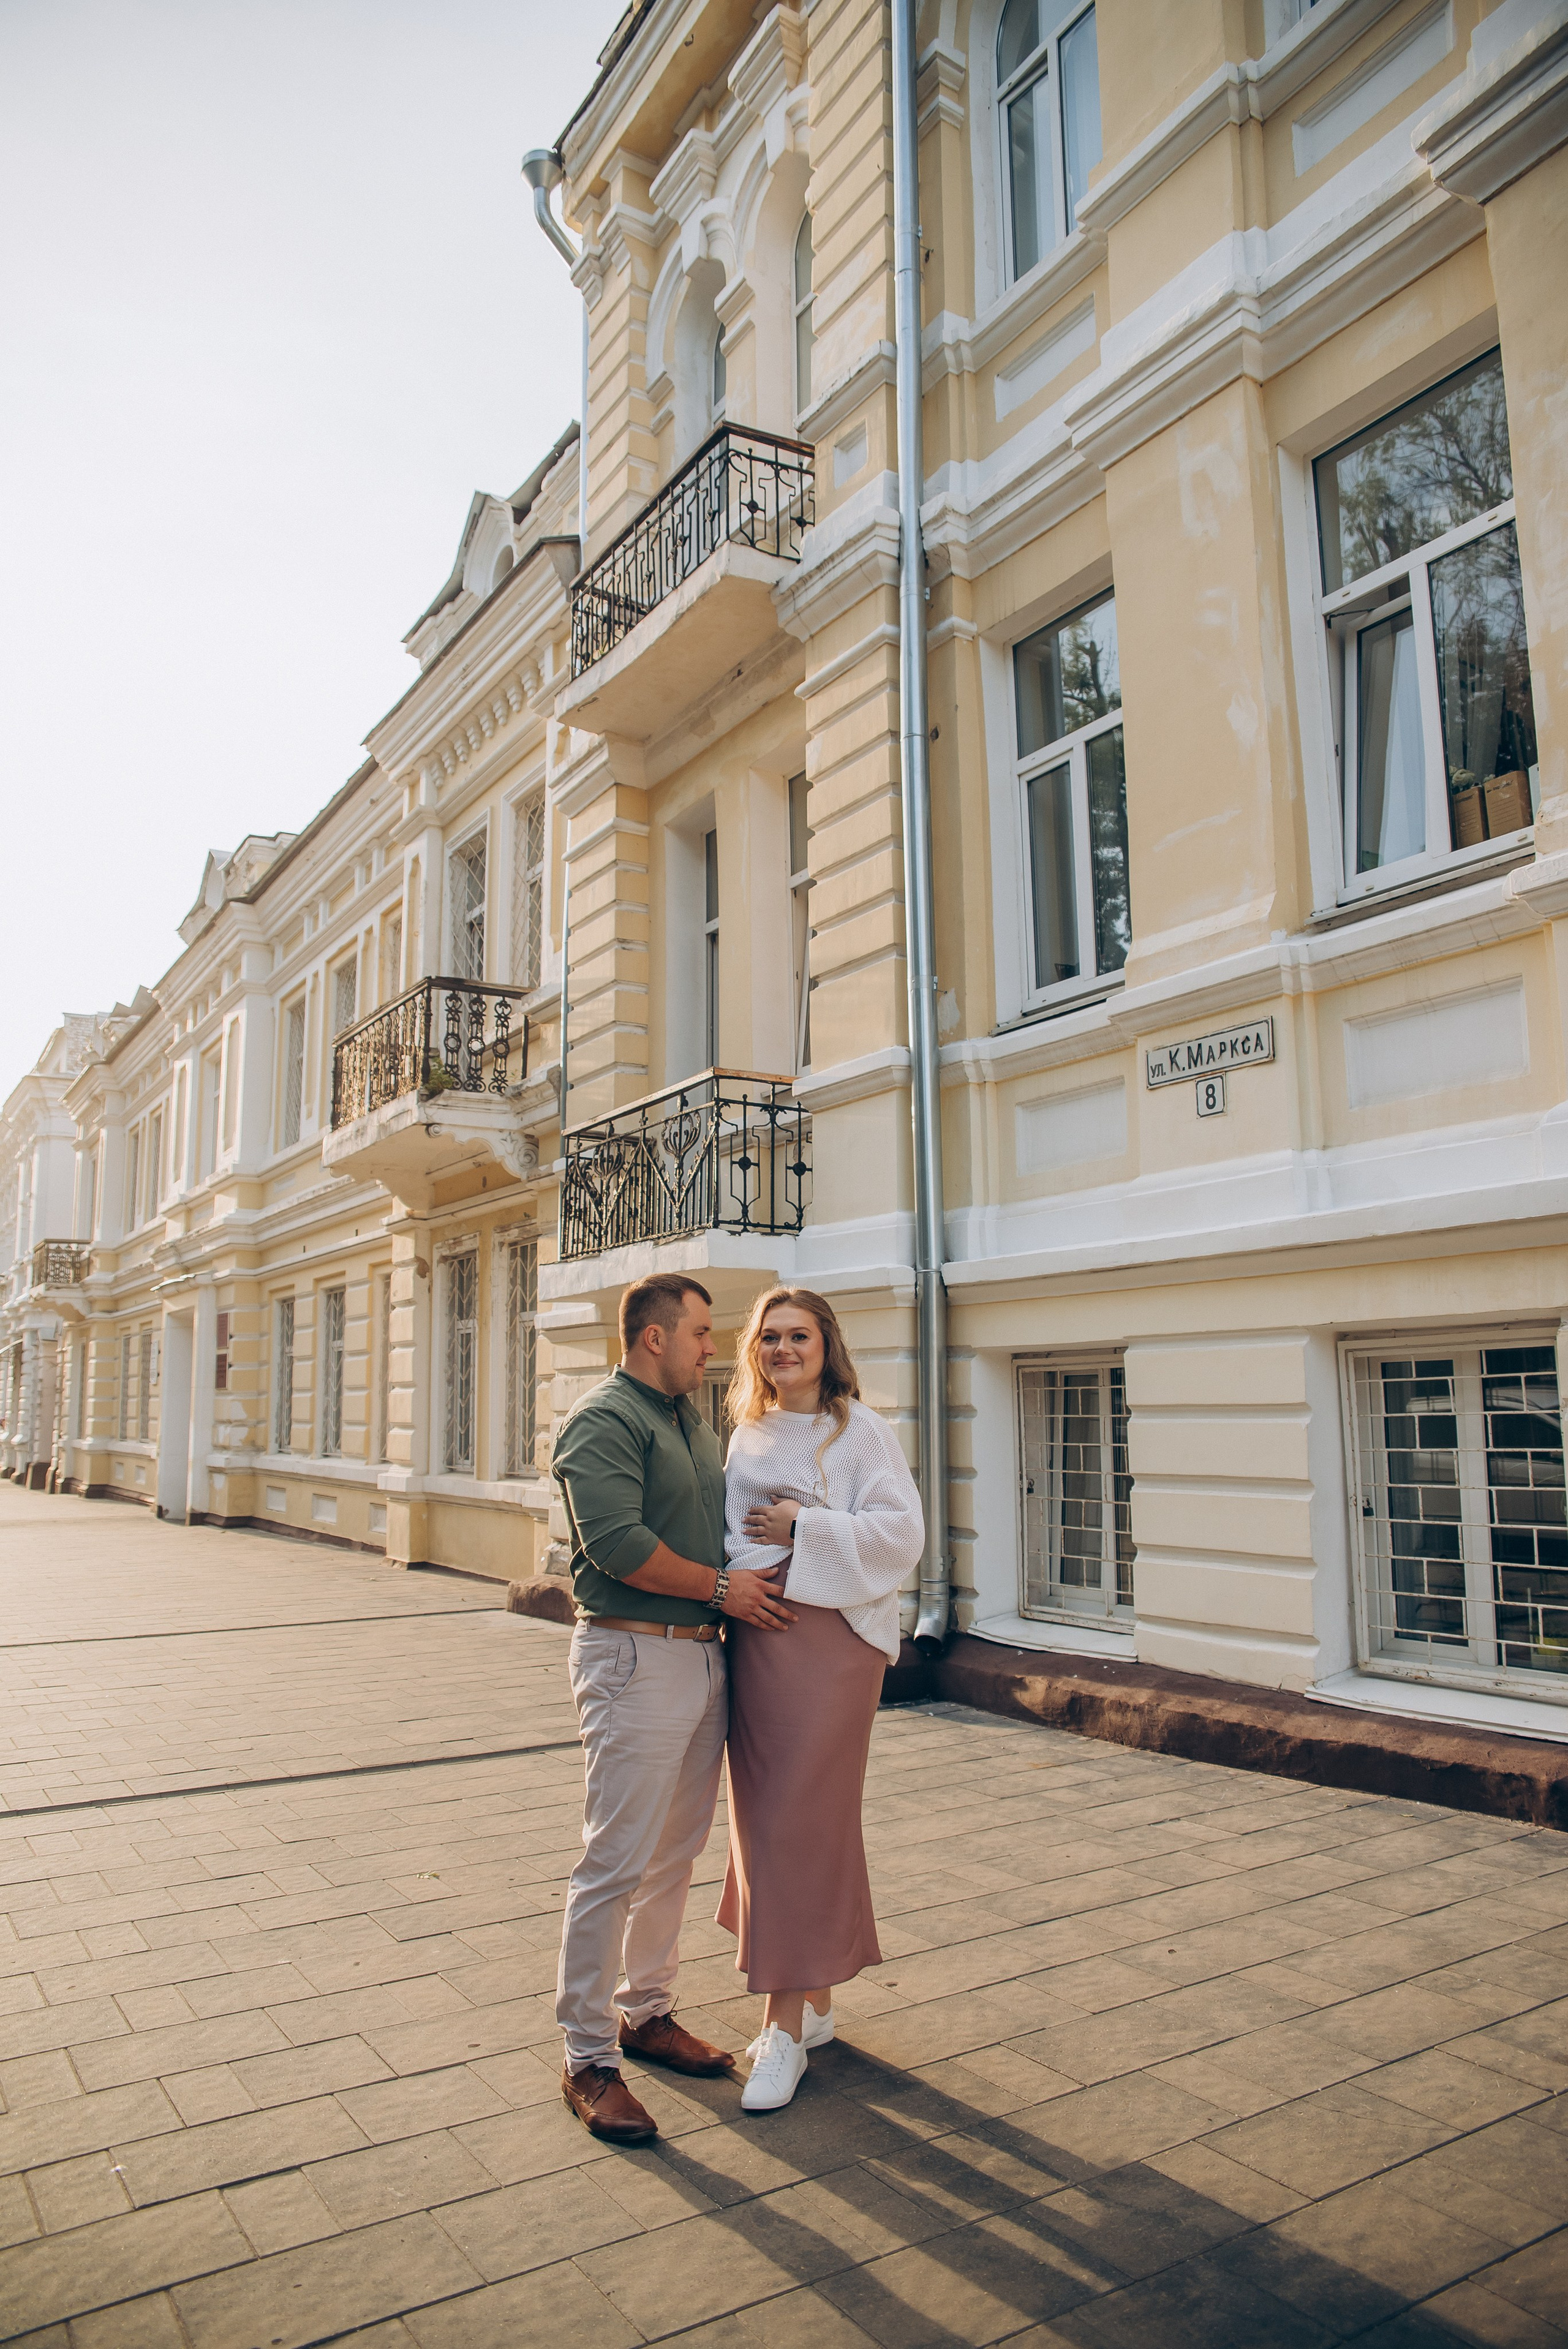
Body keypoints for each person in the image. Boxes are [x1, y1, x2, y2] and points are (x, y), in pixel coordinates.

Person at [552, 1272, 796, 2144]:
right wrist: (726, 1589)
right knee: (615, 1863)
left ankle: (645, 2014)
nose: (710, 1346)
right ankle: (587, 2058)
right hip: (633, 1657)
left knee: (673, 1855)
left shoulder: (690, 1422)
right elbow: (616, 1545)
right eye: (699, 1333)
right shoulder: (601, 1421)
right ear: (654, 1337)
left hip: (701, 1658)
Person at [717, 1284, 924, 2112]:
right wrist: (733, 1583)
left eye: (798, 1336)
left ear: (825, 1345)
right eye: (769, 1337)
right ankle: (818, 2005)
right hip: (759, 1639)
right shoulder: (750, 1432)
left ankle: (781, 2027)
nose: (782, 1350)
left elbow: (900, 1535)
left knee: (798, 1818)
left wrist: (804, 1525)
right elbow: (731, 1533)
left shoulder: (859, 1431)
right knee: (765, 1817)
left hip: (834, 1645)